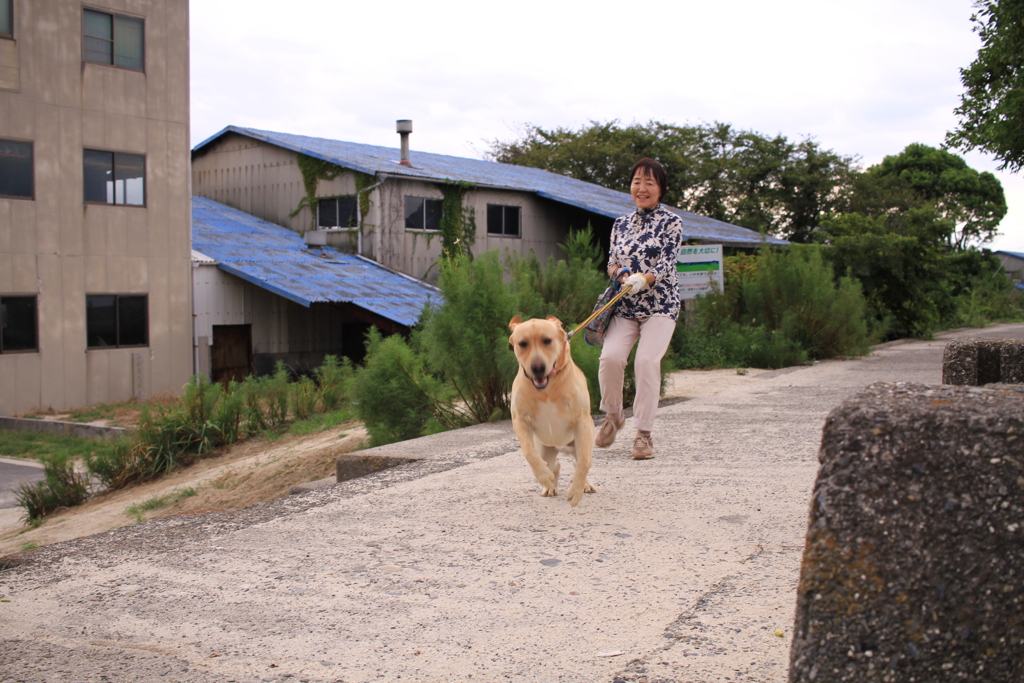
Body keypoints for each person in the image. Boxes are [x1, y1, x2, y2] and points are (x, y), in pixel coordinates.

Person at [595, 158, 684, 459]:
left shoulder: (672, 222)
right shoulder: (619, 223)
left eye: (649, 183)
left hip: (661, 305)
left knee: (646, 362)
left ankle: (643, 436)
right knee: (610, 358)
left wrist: (644, 278)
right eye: (637, 181)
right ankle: (613, 416)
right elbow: (611, 263)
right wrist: (621, 276)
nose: (641, 188)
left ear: (660, 189)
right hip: (624, 306)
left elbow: (668, 264)